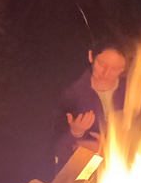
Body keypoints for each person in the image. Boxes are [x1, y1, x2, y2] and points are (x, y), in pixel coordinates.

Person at [53, 36, 128, 167]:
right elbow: (58, 151)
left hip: (124, 169)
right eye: (102, 65)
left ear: (124, 68)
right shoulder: (72, 93)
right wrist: (75, 132)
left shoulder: (132, 92)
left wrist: (107, 148)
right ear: (91, 56)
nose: (106, 73)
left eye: (115, 68)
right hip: (83, 174)